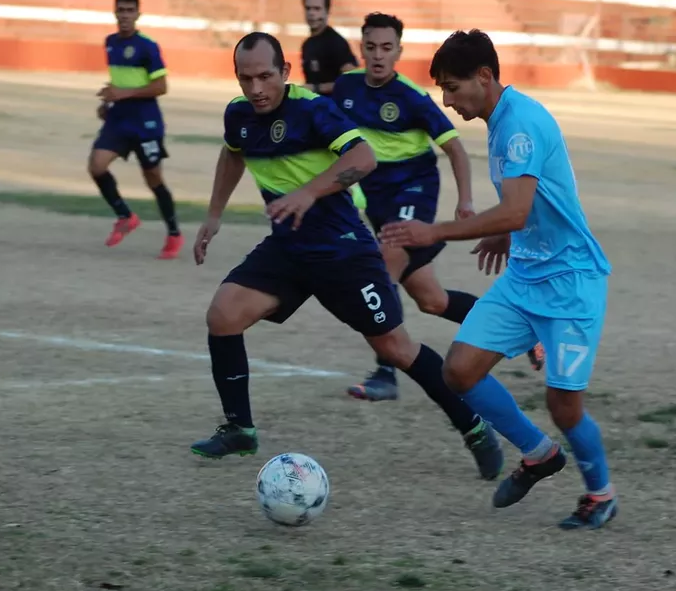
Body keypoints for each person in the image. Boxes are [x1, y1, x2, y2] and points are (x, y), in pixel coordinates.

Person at [187, 31, 504, 481]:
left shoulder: (313, 110)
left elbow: (364, 155)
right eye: (245, 78)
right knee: (223, 315)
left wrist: (308, 193)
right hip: (288, 247)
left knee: (396, 348)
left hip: (343, 251)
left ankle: (472, 426)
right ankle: (240, 428)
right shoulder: (239, 115)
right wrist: (214, 214)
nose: (256, 89)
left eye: (264, 76)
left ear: (285, 72)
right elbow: (233, 152)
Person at [379, 29, 618, 530]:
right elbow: (536, 200)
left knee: (564, 404)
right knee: (460, 371)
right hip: (527, 274)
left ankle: (601, 495)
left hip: (571, 282)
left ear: (484, 77)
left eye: (453, 87)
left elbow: (516, 209)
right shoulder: (500, 117)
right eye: (442, 89)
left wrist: (434, 231)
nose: (447, 101)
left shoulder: (519, 125)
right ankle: (539, 454)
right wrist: (511, 236)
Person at [331, 12, 544, 402]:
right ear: (360, 48)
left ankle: (385, 374)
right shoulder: (344, 88)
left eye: (386, 48)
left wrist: (465, 201)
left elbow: (456, 149)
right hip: (376, 201)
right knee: (432, 300)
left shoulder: (412, 97)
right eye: (371, 47)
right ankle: (522, 328)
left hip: (413, 194)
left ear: (398, 51)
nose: (378, 56)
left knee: (382, 268)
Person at [88, 0, 184, 260]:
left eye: (130, 10)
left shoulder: (147, 47)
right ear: (115, 13)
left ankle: (174, 232)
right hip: (118, 120)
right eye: (121, 10)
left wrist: (122, 94)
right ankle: (125, 216)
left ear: (138, 14)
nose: (125, 15)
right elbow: (118, 82)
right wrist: (107, 105)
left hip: (146, 123)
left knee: (153, 179)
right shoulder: (110, 43)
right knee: (96, 166)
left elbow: (161, 86)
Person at [300, 0, 358, 96]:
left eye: (317, 9)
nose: (311, 13)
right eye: (308, 8)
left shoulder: (336, 43)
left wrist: (316, 88)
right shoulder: (307, 44)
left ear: (327, 12)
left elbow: (353, 80)